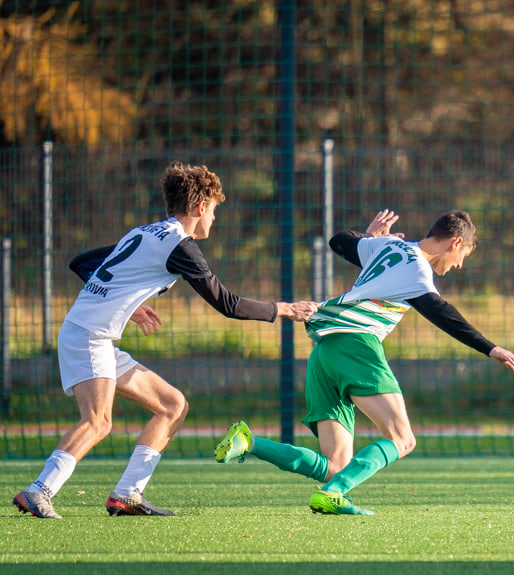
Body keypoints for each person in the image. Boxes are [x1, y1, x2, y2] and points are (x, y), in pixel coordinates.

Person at [13, 161, 319, 519]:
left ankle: (127, 495)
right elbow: (228, 304)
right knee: (98, 421)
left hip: (93, 336)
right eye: (215, 210)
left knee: (172, 405)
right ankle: (39, 490)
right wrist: (285, 309)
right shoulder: (181, 246)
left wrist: (131, 302)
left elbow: (81, 262)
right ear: (200, 207)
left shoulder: (142, 232)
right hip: (89, 337)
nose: (214, 220)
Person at [215, 209, 514, 515]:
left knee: (336, 466)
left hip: (324, 351)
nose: (459, 265)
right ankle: (334, 493)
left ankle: (249, 442)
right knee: (402, 439)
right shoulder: (418, 272)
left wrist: (370, 236)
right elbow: (443, 314)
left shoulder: (388, 245)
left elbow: (339, 240)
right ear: (455, 243)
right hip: (356, 345)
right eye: (464, 256)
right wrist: (490, 348)